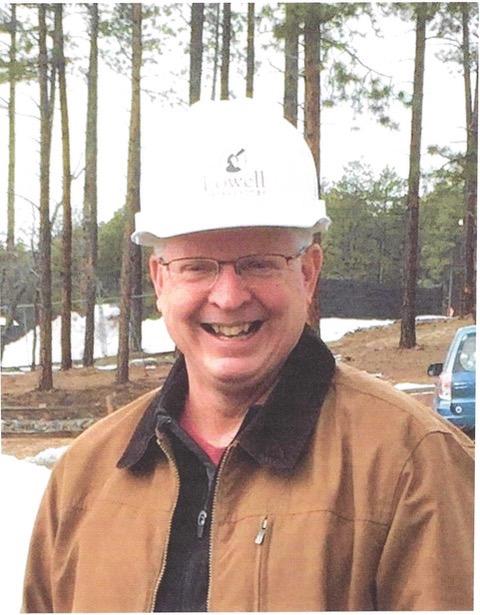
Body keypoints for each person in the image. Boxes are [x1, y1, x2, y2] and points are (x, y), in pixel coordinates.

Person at [23, 100, 473, 613]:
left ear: (307, 274)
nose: (230, 296)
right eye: (197, 267)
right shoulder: (85, 475)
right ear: (160, 279)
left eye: (259, 263)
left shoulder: (411, 464)